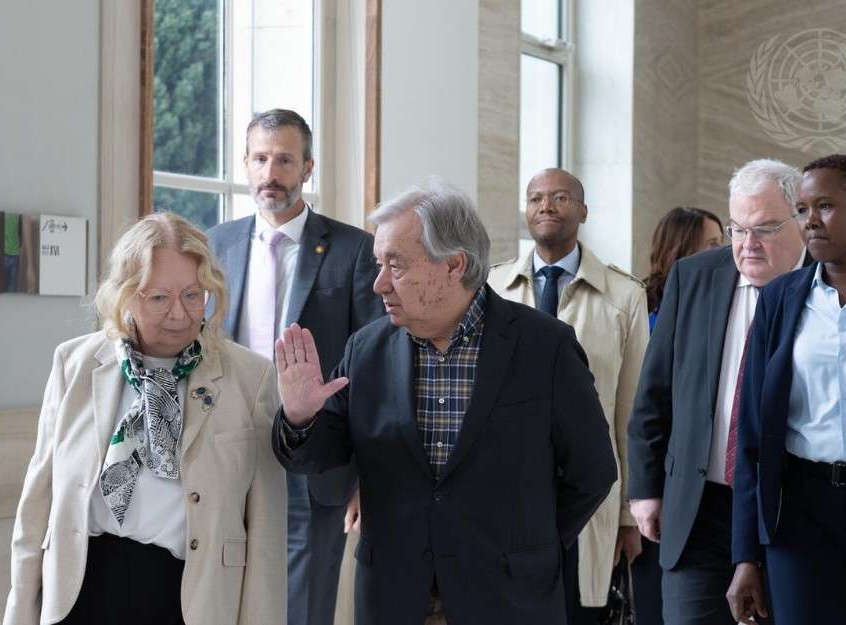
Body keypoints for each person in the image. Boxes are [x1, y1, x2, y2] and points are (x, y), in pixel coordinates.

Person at [272, 179, 616, 625]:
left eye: (394, 265)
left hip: (509, 599)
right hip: (395, 598)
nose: (378, 284)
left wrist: (531, 546)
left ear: (453, 265)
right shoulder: (366, 350)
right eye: (379, 264)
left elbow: (592, 471)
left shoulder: (545, 347)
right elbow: (323, 457)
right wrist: (300, 415)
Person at [3, 213, 286, 625]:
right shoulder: (75, 364)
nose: (179, 314)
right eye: (159, 298)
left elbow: (265, 538)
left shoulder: (251, 379)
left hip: (188, 597)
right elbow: (38, 504)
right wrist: (18, 614)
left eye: (193, 295)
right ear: (125, 296)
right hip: (79, 587)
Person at [207, 108, 382, 625]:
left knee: (302, 608)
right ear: (245, 163)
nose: (270, 173)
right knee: (219, 598)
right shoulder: (216, 245)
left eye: (284, 160)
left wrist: (368, 477)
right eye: (260, 159)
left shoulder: (353, 251)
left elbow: (372, 371)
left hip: (316, 461)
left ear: (307, 167)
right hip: (227, 449)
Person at [728, 154, 846, 625]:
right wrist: (746, 556)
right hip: (802, 516)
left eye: (825, 206)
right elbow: (753, 432)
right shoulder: (780, 300)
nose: (810, 220)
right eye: (804, 209)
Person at [627, 158, 807, 625]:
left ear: (802, 219)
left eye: (765, 229)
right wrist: (645, 489)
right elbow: (655, 391)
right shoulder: (695, 276)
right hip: (700, 503)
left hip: (792, 509)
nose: (748, 245)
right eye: (737, 229)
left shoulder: (825, 286)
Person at [488, 168, 649, 624]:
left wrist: (627, 517)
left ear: (582, 210)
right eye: (536, 197)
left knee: (578, 610)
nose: (546, 205)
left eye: (559, 197)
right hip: (509, 487)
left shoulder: (624, 295)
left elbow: (631, 411)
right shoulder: (493, 289)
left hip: (586, 490)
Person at [644, 207, 724, 332]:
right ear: (683, 249)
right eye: (712, 244)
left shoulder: (721, 299)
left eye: (721, 242)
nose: (723, 251)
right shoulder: (643, 308)